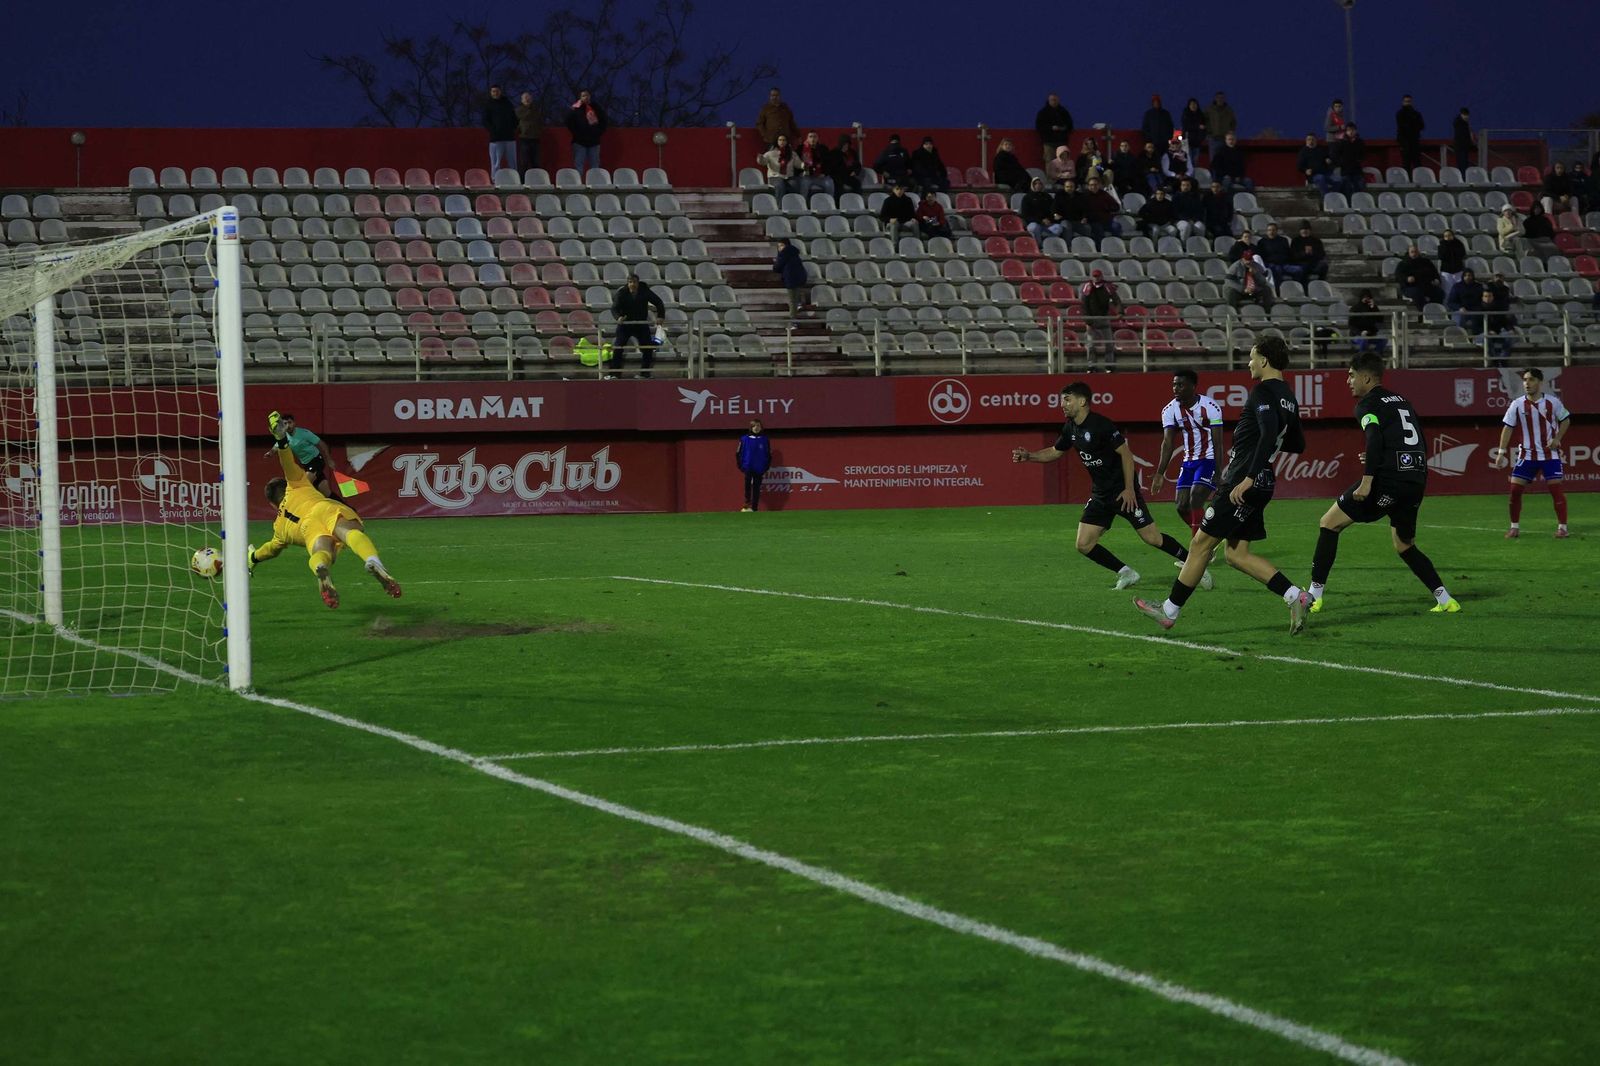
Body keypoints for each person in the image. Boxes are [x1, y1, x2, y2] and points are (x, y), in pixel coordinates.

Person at [1134, 337, 1311, 634]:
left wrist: (1249, 476)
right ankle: (1296, 596)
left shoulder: (1263, 391)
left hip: (1245, 481)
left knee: (1200, 543)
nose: (1249, 363)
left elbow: (1268, 433)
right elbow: (1298, 442)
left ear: (1265, 361)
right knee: (1236, 554)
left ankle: (1168, 611)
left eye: (1253, 358)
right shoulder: (1288, 398)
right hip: (1265, 480)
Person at [1305, 352, 1459, 616]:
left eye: (1352, 375)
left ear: (1366, 377)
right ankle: (1446, 600)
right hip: (1415, 478)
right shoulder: (1402, 401)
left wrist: (1367, 481)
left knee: (1328, 523)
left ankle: (1314, 596)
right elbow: (1415, 440)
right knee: (1404, 544)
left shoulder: (1367, 404)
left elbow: (1374, 438)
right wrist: (1387, 459)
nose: (1348, 381)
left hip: (1387, 480)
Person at [1011, 382, 1202, 592]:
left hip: (1123, 493)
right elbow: (1056, 451)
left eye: (1067, 399)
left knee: (1153, 538)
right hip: (1101, 495)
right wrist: (1030, 456)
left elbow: (1127, 456)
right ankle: (1126, 573)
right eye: (1062, 399)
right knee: (1084, 544)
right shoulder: (1070, 427)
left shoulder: (1101, 425)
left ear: (1082, 401)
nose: (1062, 404)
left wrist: (1129, 489)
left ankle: (1194, 564)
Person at [251, 411, 401, 610]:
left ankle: (321, 568)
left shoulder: (279, 529)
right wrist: (281, 440)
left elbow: (270, 550)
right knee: (351, 532)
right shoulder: (295, 484)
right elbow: (287, 464)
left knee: (323, 553)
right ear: (284, 485)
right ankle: (372, 561)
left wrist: (253, 558)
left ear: (272, 505)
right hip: (323, 509)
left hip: (307, 530)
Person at [1498, 367, 1572, 538]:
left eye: (1531, 379)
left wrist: (1557, 438)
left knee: (1556, 490)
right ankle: (1514, 527)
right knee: (1515, 491)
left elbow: (1565, 420)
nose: (1527, 383)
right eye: (1524, 380)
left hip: (1549, 455)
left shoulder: (1553, 402)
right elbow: (1507, 428)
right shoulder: (1517, 404)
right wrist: (1501, 452)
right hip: (1527, 455)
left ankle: (1562, 528)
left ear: (1540, 382)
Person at [1150, 369, 1224, 537]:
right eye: (1174, 385)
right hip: (1189, 462)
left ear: (1193, 386)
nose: (1176, 388)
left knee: (1196, 497)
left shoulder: (1210, 407)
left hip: (1208, 459)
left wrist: (1218, 472)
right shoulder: (1169, 410)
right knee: (1182, 506)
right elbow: (1167, 443)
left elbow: (1218, 444)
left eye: (1181, 385)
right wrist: (1160, 473)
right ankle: (1211, 535)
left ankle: (1197, 552)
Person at [263, 413, 337, 497]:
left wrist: (329, 460)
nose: (288, 426)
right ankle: (345, 506)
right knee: (326, 492)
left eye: (290, 422)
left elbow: (322, 444)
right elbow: (276, 446)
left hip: (316, 460)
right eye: (285, 423)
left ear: (294, 423)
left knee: (304, 485)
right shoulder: (284, 436)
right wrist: (270, 453)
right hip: (306, 464)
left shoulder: (304, 433)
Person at [610, 273, 666, 378]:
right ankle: (615, 374)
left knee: (648, 348)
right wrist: (618, 317)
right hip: (626, 325)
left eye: (635, 282)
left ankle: (645, 373)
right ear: (627, 283)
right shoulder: (622, 293)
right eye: (630, 282)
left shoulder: (645, 291)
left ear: (638, 283)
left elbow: (658, 302)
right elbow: (614, 308)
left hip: (641, 324)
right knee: (618, 348)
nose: (633, 284)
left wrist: (660, 316)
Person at [1079, 269, 1121, 370]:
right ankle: (1091, 366)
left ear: (1101, 276)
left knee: (1109, 344)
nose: (1096, 278)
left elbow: (1117, 300)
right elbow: (1084, 305)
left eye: (1097, 276)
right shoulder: (1087, 287)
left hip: (1104, 318)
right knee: (1090, 344)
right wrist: (1087, 321)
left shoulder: (1107, 287)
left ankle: (1109, 365)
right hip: (1091, 319)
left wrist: (1120, 312)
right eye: (1094, 276)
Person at [565, 90, 608, 177]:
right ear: (580, 98)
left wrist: (598, 132)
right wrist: (576, 134)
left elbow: (604, 120)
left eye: (587, 95)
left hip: (594, 141)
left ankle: (594, 185)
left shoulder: (596, 107)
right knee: (579, 165)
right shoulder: (575, 109)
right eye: (583, 96)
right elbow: (569, 122)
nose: (586, 97)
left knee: (595, 166)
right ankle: (579, 186)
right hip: (579, 142)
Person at [736, 419, 771, 512]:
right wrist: (740, 465)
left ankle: (755, 507)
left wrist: (766, 466)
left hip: (759, 467)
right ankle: (747, 504)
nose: (756, 428)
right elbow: (738, 453)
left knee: (756, 487)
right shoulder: (744, 439)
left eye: (758, 426)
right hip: (748, 466)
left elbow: (768, 454)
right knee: (747, 485)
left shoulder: (764, 439)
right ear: (751, 427)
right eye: (754, 426)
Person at [1474, 289, 1517, 364]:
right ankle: (1495, 360)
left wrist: (1510, 329)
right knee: (1487, 338)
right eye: (1485, 296)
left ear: (1493, 297)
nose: (1487, 298)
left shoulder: (1498, 309)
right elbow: (1475, 327)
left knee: (1509, 336)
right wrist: (1488, 331)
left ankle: (1503, 359)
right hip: (1481, 335)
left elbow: (1505, 322)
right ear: (1482, 298)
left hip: (1497, 334)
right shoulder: (1477, 310)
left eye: (1489, 296)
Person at [1394, 245, 1443, 310]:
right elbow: (1398, 276)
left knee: (1439, 292)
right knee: (1417, 293)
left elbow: (1434, 272)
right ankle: (1422, 312)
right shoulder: (1403, 263)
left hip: (1426, 285)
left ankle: (1435, 310)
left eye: (1416, 252)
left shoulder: (1426, 262)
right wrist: (1407, 279)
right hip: (1409, 287)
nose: (1414, 254)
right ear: (1409, 253)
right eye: (1412, 252)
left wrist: (1437, 279)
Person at [483, 85, 518, 175]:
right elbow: (485, 120)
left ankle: (514, 181)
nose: (495, 93)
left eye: (497, 91)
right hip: (496, 139)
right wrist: (493, 130)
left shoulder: (508, 103)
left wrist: (513, 127)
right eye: (493, 91)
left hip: (509, 137)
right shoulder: (488, 105)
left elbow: (514, 117)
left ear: (500, 91)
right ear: (491, 93)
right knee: (496, 163)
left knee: (512, 162)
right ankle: (495, 181)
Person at [1035, 93, 1075, 168]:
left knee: (1063, 161)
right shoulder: (1043, 113)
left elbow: (1070, 125)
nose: (1054, 102)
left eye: (1055, 100)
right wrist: (1051, 128)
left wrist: (1062, 128)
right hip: (1048, 142)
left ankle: (1063, 178)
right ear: (1048, 101)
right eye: (1052, 100)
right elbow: (1039, 127)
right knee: (1050, 161)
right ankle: (1050, 179)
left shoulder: (1063, 112)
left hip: (1062, 142)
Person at [758, 134, 802, 199]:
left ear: (787, 142)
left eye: (784, 140)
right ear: (777, 142)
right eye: (780, 140)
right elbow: (763, 162)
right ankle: (779, 207)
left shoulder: (792, 153)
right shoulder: (770, 153)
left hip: (789, 177)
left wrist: (805, 165)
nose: (782, 142)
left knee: (795, 185)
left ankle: (793, 205)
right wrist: (760, 158)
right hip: (775, 176)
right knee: (780, 186)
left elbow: (798, 164)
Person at [773, 238, 808, 318]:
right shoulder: (794, 253)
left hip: (791, 279)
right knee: (796, 296)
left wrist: (776, 260)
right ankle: (799, 303)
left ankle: (793, 322)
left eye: (781, 246)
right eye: (779, 246)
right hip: (800, 278)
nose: (780, 248)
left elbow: (777, 268)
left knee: (792, 301)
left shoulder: (784, 254)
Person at [1080, 176, 1121, 242]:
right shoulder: (1084, 196)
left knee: (1116, 226)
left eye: (1095, 185)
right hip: (1092, 221)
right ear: (1088, 186)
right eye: (1091, 185)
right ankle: (1100, 249)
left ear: (1099, 185)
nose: (1093, 187)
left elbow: (1116, 206)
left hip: (1106, 220)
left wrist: (1107, 207)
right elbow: (1081, 209)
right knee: (1098, 229)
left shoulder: (1104, 194)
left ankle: (1116, 244)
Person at [1348, 290, 1387, 354]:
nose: (1366, 299)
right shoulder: (1355, 308)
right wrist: (1360, 333)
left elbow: (1380, 320)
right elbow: (1351, 325)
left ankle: (1375, 355)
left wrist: (1374, 308)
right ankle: (1361, 357)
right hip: (1357, 335)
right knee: (1364, 340)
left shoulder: (1373, 308)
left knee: (1384, 340)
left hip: (1370, 334)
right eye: (1365, 297)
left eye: (1368, 297)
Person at [1021, 177, 1060, 242]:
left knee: (1058, 228)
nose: (1038, 186)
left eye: (1040, 184)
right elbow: (1026, 215)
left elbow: (1053, 210)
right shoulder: (1027, 198)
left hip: (1047, 223)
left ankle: (1048, 243)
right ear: (1032, 185)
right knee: (1034, 227)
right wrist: (1041, 221)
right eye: (1036, 184)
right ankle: (1039, 246)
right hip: (1034, 222)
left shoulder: (1047, 196)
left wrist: (1051, 219)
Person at [1256, 222, 1294, 290]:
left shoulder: (1283, 240)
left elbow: (1288, 253)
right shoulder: (1262, 242)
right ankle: (1278, 290)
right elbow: (1261, 257)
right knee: (1277, 270)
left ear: (1277, 231)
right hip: (1271, 265)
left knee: (1299, 270)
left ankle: (1295, 288)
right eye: (1269, 230)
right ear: (1267, 231)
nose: (1271, 232)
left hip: (1284, 264)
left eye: (1273, 230)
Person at [796, 131, 833, 199]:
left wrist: (824, 173)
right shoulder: (801, 149)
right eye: (810, 137)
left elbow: (829, 163)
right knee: (804, 184)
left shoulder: (823, 149)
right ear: (807, 138)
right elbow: (796, 163)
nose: (813, 139)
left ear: (818, 138)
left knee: (829, 183)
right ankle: (803, 206)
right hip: (806, 176)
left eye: (815, 137)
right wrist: (801, 172)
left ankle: (829, 205)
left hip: (821, 176)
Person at [1332, 124, 1366, 194]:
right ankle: (1348, 204)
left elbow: (1363, 154)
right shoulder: (1341, 142)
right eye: (1348, 130)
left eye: (1352, 130)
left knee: (1359, 187)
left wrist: (1358, 160)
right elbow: (1335, 155)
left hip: (1357, 170)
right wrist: (1341, 163)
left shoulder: (1360, 142)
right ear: (1346, 132)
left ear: (1355, 131)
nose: (1351, 132)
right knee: (1347, 188)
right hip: (1345, 170)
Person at [1395, 95, 1426, 173]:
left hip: (1415, 141)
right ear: (1403, 102)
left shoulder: (1416, 114)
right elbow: (1402, 126)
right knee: (1406, 163)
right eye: (1406, 101)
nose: (1408, 103)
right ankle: (1407, 181)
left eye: (1409, 101)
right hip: (1405, 142)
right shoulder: (1400, 114)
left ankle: (1418, 179)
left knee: (1417, 162)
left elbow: (1421, 125)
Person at [515, 91, 542, 173]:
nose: (527, 99)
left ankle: (536, 180)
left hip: (535, 137)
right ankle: (522, 181)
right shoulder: (519, 110)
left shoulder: (536, 109)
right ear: (522, 100)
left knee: (536, 161)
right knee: (524, 161)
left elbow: (539, 120)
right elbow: (520, 118)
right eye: (525, 98)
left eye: (528, 97)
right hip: (524, 138)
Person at [1204, 91, 1237, 160]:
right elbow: (1204, 121)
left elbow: (1233, 122)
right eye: (1218, 98)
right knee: (1214, 159)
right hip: (1213, 138)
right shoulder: (1209, 109)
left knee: (1225, 158)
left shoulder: (1228, 110)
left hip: (1225, 139)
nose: (1220, 99)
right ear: (1215, 98)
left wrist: (1231, 132)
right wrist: (1208, 131)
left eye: (1222, 98)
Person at [1173, 176, 1205, 242]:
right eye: (1183, 185)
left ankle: (1198, 245)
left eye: (1187, 185)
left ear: (1190, 186)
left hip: (1193, 220)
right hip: (1180, 220)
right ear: (1180, 186)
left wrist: (1193, 220)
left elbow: (1199, 210)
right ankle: (1184, 246)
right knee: (1186, 226)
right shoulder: (1176, 197)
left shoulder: (1195, 197)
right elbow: (1175, 212)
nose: (1185, 187)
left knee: (1200, 227)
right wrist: (1187, 219)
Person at [1437, 228, 1467, 292]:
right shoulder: (1441, 245)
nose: (1448, 237)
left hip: (1458, 270)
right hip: (1446, 271)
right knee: (1447, 291)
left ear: (1453, 236)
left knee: (1460, 290)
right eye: (1446, 236)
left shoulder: (1459, 244)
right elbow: (1441, 256)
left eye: (1449, 235)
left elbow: (1462, 254)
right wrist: (1446, 245)